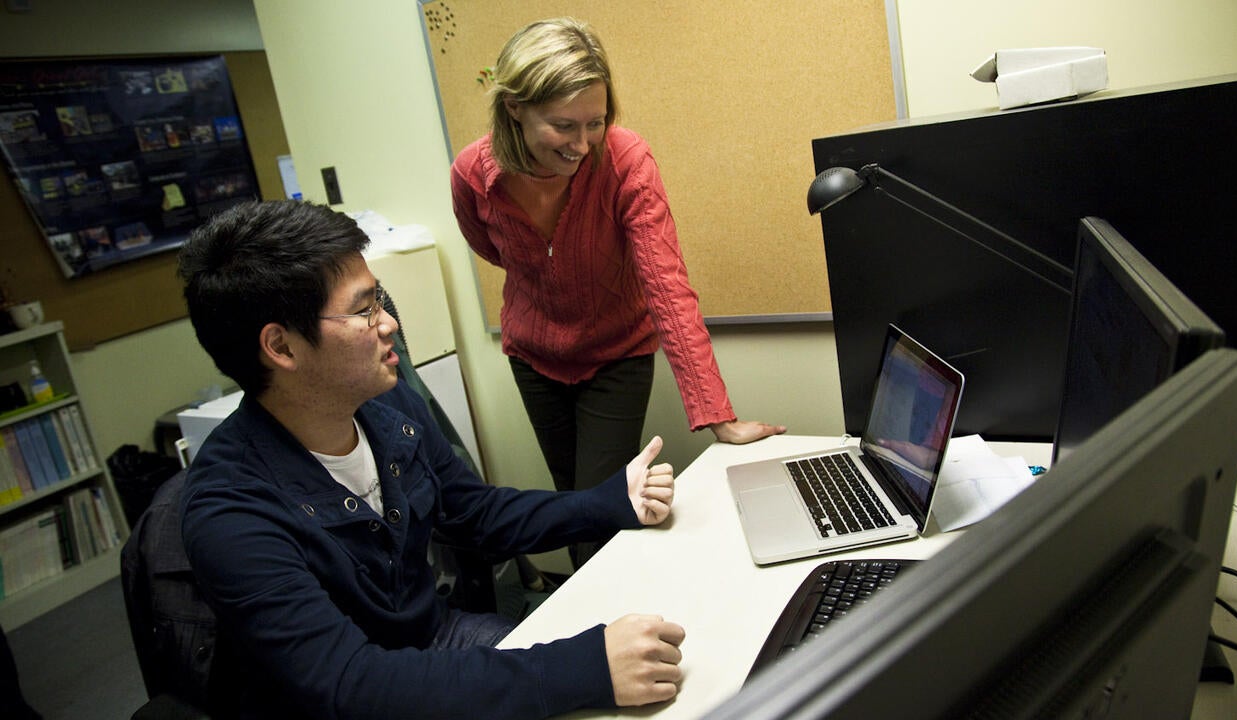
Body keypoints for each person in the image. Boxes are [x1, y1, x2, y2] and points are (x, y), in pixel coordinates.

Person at [176, 200, 684, 719]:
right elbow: (351, 686)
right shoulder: (229, 511)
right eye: (365, 308)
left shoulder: (386, 404)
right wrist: (589, 669)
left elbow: (477, 516)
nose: (389, 323)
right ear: (281, 346)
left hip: (434, 642)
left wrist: (609, 501)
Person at [451, 17, 786, 564]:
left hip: (616, 355)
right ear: (515, 107)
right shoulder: (471, 173)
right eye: (563, 125)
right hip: (534, 360)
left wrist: (717, 414)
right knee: (569, 507)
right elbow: (491, 250)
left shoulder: (627, 160)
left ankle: (610, 640)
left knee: (600, 522)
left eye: (595, 123)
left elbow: (667, 287)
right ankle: (590, 637)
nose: (582, 144)